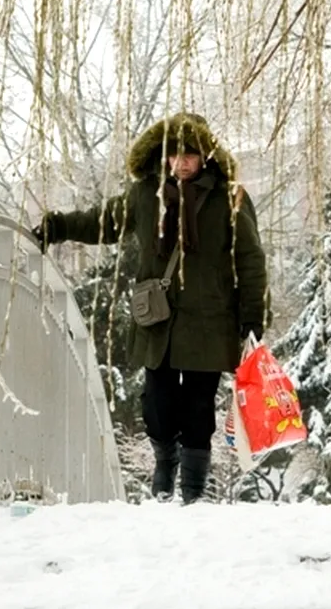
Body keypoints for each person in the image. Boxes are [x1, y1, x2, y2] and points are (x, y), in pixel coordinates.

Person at [32, 112, 268, 504]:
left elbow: (250, 259)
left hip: (210, 321)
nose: (182, 162)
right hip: (158, 319)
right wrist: (57, 227)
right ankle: (164, 472)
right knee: (156, 405)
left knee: (197, 408)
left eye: (190, 154)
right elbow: (102, 222)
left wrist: (252, 318)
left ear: (205, 154)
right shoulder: (146, 195)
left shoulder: (230, 198)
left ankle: (190, 494)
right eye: (175, 154)